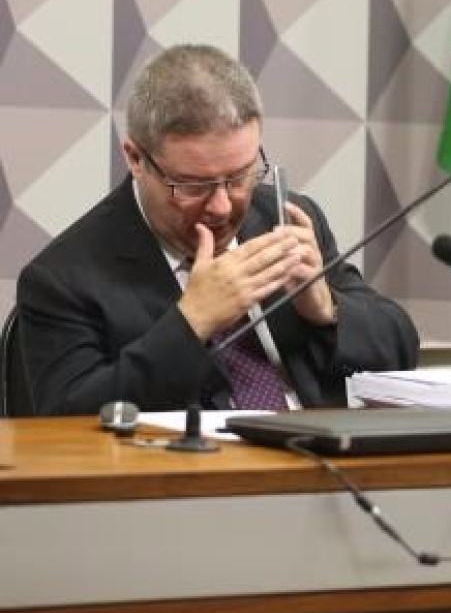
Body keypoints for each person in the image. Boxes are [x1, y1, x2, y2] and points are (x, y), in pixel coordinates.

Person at [17, 44, 419, 414]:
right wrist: (191, 322)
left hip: (318, 471)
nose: (222, 206)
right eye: (193, 185)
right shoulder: (63, 278)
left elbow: (400, 350)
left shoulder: (283, 219)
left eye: (241, 176)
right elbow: (64, 422)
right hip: (189, 484)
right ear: (136, 159)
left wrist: (325, 309)